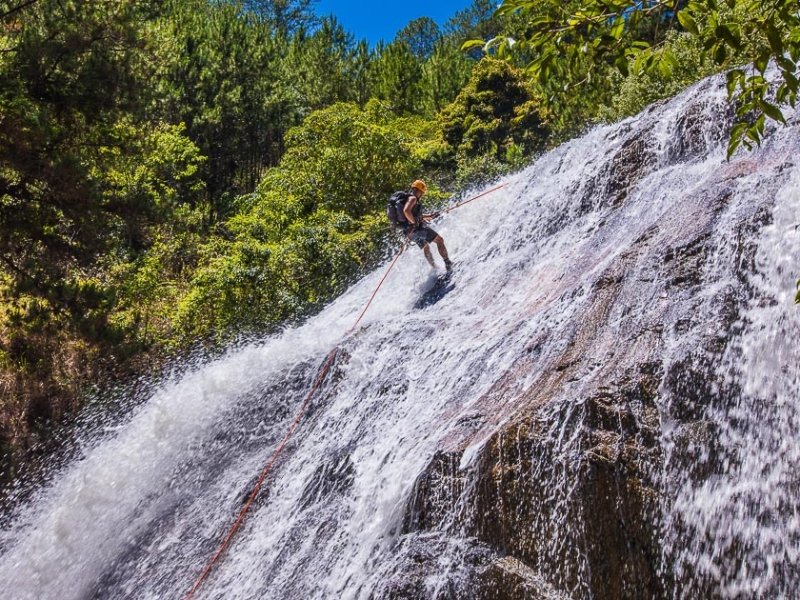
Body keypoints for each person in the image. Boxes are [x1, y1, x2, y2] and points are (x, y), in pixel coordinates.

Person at [401, 179, 453, 272]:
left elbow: (416, 216)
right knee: (439, 240)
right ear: (419, 190)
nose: (422, 194)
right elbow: (406, 211)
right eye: (422, 192)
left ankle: (435, 268)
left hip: (410, 233)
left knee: (425, 247)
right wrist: (414, 223)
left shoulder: (407, 199)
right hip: (416, 229)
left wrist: (430, 216)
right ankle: (448, 263)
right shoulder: (413, 198)